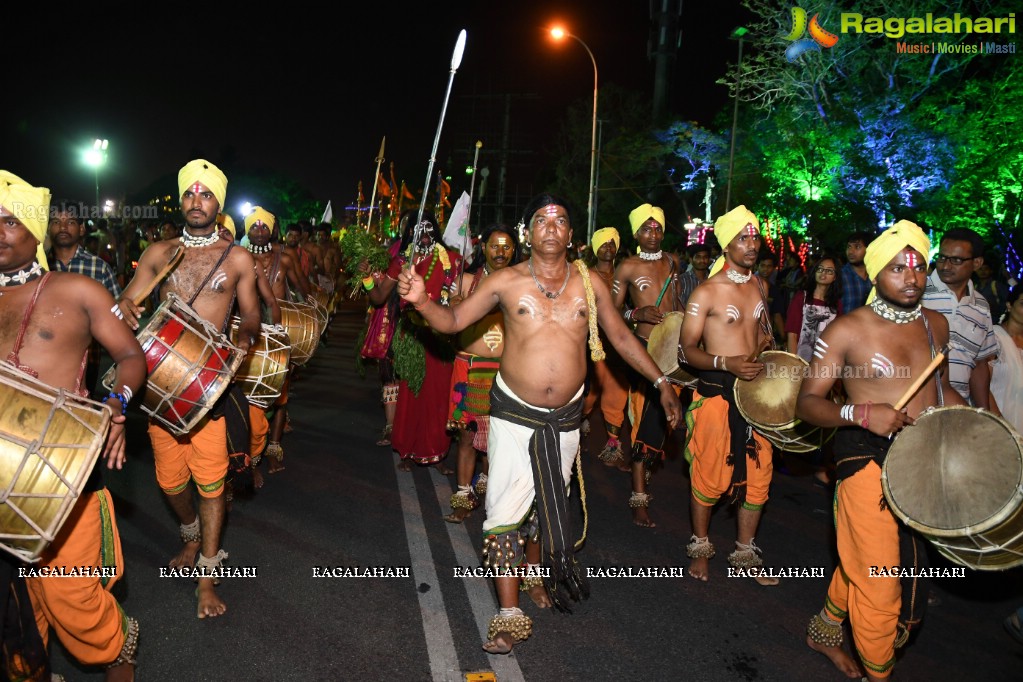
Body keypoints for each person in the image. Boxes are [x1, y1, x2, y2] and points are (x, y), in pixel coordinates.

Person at [397, 193, 682, 655]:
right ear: (529, 232)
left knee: (546, 504)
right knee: (504, 511)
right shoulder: (506, 281)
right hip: (512, 414)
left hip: (566, 418)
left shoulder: (588, 284)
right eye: (542, 220)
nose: (552, 227)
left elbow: (622, 337)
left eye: (561, 220)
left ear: (572, 234)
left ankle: (534, 576)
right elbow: (451, 322)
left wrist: (661, 381)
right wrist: (422, 301)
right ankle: (508, 616)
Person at [797, 220, 964, 681]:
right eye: (897, 268)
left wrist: (978, 427)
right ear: (874, 274)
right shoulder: (847, 329)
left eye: (918, 266)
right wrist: (860, 413)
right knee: (881, 582)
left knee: (869, 557)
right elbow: (807, 402)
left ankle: (826, 628)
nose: (911, 277)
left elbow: (943, 389)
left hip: (921, 459)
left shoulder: (937, 324)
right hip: (866, 456)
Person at [0, 171, 146, 680]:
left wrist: (116, 402)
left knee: (74, 599)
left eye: (10, 220)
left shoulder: (79, 288)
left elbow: (130, 354)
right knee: (17, 619)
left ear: (34, 229)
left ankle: (121, 660)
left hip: (63, 472)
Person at [116, 159, 261, 619]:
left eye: (206, 194)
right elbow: (131, 297)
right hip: (161, 388)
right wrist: (124, 304)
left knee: (212, 483)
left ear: (218, 204)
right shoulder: (161, 252)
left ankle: (207, 574)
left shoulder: (238, 258)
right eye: (189, 194)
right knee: (171, 482)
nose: (196, 202)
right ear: (182, 201)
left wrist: (243, 338)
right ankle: (190, 531)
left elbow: (252, 314)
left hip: (210, 387)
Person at [679, 205, 778, 585]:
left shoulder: (760, 286)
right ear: (726, 244)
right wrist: (727, 362)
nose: (752, 245)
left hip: (754, 397)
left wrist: (766, 345)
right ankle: (701, 547)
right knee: (708, 475)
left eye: (755, 237)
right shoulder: (707, 292)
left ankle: (744, 552)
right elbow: (686, 350)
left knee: (759, 476)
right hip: (717, 393)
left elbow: (760, 333)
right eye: (743, 238)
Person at [612, 204, 691, 527]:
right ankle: (639, 498)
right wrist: (636, 314)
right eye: (646, 229)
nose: (653, 234)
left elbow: (679, 302)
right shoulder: (627, 267)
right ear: (636, 234)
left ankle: (644, 474)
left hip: (672, 351)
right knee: (649, 421)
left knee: (661, 423)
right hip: (642, 351)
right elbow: (611, 313)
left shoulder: (673, 262)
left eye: (657, 228)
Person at [368, 210, 460, 472]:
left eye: (429, 228)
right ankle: (407, 451)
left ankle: (438, 453)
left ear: (437, 232)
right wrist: (365, 278)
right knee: (410, 395)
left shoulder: (451, 260)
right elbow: (377, 298)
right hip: (410, 336)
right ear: (409, 233)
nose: (424, 234)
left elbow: (461, 294)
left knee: (439, 397)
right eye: (418, 229)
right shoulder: (402, 262)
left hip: (440, 339)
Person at [444, 224, 520, 523]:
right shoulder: (464, 282)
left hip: (507, 370)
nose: (500, 252)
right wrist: (455, 305)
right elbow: (450, 313)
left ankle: (488, 487)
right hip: (470, 366)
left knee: (500, 438)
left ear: (515, 250)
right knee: (467, 437)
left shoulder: (521, 283)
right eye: (494, 245)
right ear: (483, 248)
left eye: (507, 246)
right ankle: (463, 495)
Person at [244, 207, 309, 474]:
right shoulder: (239, 258)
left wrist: (307, 322)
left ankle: (273, 448)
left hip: (279, 332)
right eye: (254, 226)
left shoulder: (286, 257)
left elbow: (303, 289)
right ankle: (251, 452)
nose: (259, 231)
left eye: (264, 227)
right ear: (247, 230)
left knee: (279, 394)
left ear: (272, 230)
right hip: (248, 333)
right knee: (249, 393)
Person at [47, 200, 124, 394]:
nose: (63, 227)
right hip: (42, 355)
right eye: (56, 222)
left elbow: (118, 314)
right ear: (48, 228)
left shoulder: (99, 267)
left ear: (81, 229)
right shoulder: (37, 266)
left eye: (70, 222)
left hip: (87, 357)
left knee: (80, 407)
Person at [921, 227, 998, 409]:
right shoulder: (918, 293)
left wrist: (983, 414)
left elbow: (979, 363)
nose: (945, 266)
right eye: (942, 257)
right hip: (918, 404)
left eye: (956, 260)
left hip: (958, 408)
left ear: (977, 263)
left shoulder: (981, 306)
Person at [581, 228, 629, 470]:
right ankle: (575, 439)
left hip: (619, 346)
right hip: (593, 344)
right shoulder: (586, 276)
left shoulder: (624, 276)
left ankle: (612, 449)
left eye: (612, 244)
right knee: (587, 397)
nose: (608, 248)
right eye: (604, 244)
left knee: (617, 395)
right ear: (595, 248)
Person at [786, 254, 843, 361]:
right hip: (800, 359)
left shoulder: (837, 304)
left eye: (829, 271)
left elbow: (837, 339)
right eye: (820, 269)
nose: (823, 273)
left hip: (824, 362)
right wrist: (793, 363)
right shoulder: (801, 298)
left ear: (835, 277)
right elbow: (792, 335)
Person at [989, 283, 1023, 433]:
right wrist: (1001, 424)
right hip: (998, 426)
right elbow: (981, 387)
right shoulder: (994, 337)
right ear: (1009, 305)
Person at [840, 231, 874, 312]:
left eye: (857, 247)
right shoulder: (840, 276)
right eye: (849, 247)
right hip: (845, 324)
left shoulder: (877, 275)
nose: (851, 251)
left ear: (869, 249)